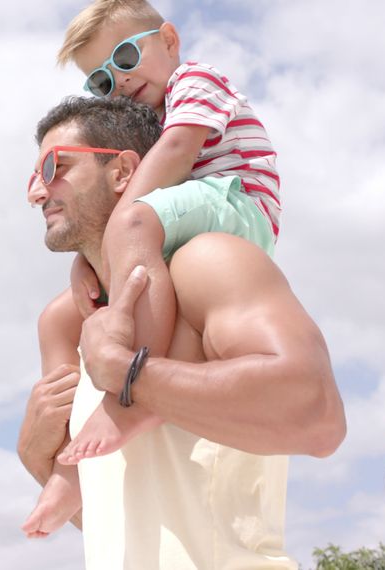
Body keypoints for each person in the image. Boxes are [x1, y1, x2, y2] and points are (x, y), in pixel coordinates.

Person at [18, 96, 346, 568]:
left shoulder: (207, 261)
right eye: (33, 176)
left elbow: (320, 419)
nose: (37, 192)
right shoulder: (66, 320)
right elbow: (102, 515)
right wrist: (34, 455)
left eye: (55, 167)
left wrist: (131, 374)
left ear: (122, 173)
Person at [38, 0, 284, 465]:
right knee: (174, 300)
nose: (120, 81)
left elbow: (176, 150)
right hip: (209, 215)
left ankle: (133, 392)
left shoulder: (195, 78)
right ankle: (144, 409)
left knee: (133, 220)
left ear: (169, 41)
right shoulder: (155, 113)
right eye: (102, 82)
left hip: (240, 199)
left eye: (125, 58)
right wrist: (84, 260)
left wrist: (121, 225)